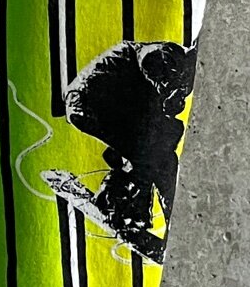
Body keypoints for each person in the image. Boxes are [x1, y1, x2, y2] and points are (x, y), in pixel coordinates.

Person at [49, 39, 198, 262]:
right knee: (157, 156)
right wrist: (167, 92)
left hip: (106, 105)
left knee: (161, 146)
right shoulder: (165, 54)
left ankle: (119, 199)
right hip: (90, 104)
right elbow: (150, 62)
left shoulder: (181, 67)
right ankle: (124, 205)